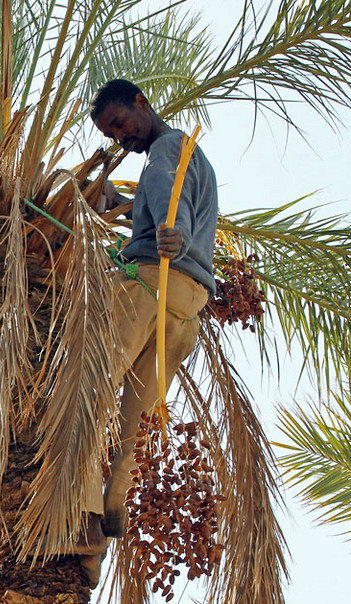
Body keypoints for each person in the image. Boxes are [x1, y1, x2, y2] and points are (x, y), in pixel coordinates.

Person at [78, 78, 219, 584]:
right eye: (111, 134)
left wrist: (166, 230)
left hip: (151, 286)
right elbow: (160, 206)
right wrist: (109, 199)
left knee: (89, 386)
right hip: (187, 306)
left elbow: (166, 202)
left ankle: (78, 519)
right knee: (134, 423)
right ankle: (100, 539)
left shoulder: (165, 149)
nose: (121, 138)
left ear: (142, 102)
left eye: (120, 123)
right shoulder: (194, 156)